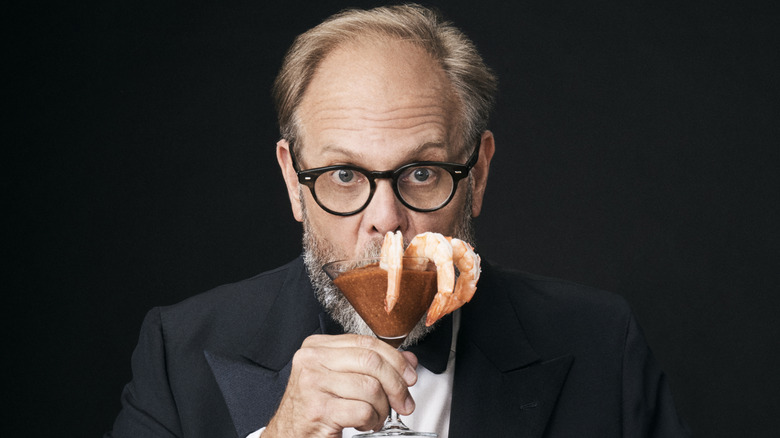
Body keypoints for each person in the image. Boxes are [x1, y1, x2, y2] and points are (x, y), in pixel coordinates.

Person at [106, 4, 690, 437]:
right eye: (343, 175)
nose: (386, 221)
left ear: (478, 174)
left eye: (421, 173)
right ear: (293, 182)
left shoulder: (602, 346)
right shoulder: (178, 351)